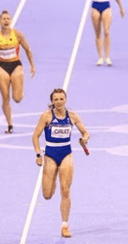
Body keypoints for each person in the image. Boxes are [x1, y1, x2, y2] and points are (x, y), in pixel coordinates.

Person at [32, 89, 91, 238]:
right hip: (50, 155)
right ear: (52, 101)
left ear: (65, 100)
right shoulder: (46, 116)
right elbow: (35, 136)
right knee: (47, 194)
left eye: (61, 99)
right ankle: (52, 179)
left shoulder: (72, 116)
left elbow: (85, 132)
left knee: (65, 190)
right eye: (56, 99)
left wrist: (85, 139)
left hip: (66, 154)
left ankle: (65, 225)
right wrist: (38, 154)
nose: (58, 102)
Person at [0, 10, 36, 134]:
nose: (6, 21)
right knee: (5, 98)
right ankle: (10, 125)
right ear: (0, 21)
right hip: (2, 66)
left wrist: (32, 66)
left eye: (8, 19)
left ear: (11, 21)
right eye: (3, 19)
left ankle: (19, 90)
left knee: (17, 98)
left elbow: (27, 49)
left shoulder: (17, 35)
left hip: (16, 65)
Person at [86, 0, 125, 66]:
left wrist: (121, 7)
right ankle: (100, 57)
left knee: (107, 31)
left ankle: (107, 56)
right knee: (98, 32)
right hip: (95, 6)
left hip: (106, 6)